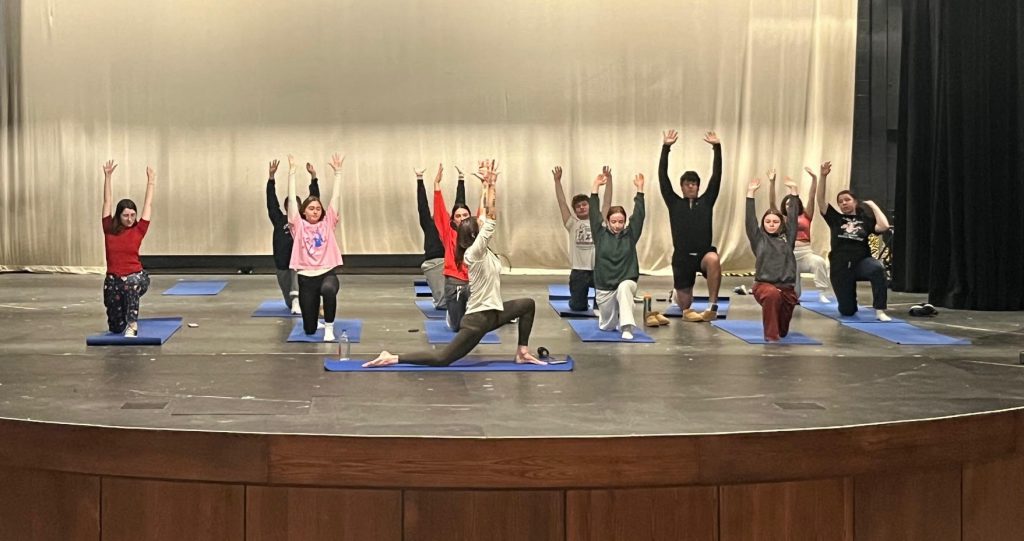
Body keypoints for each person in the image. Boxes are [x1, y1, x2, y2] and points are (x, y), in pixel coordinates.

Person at [365, 160, 544, 367]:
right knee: (443, 359)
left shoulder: (479, 248)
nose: (480, 222)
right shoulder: (474, 253)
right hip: (477, 322)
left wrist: (486, 185)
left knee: (527, 304)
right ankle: (392, 357)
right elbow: (491, 218)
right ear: (475, 235)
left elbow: (485, 216)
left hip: (493, 314)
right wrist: (493, 187)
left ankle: (522, 352)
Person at [658, 129, 723, 322]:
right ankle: (677, 295)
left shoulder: (707, 201)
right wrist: (666, 148)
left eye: (694, 183)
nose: (690, 186)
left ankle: (712, 305)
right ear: (682, 186)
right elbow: (662, 177)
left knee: (713, 259)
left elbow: (717, 176)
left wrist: (717, 148)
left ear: (698, 186)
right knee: (685, 306)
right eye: (687, 184)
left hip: (703, 253)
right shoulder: (673, 202)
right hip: (682, 257)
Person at [816, 169, 892, 320]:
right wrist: (823, 176)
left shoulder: (865, 221)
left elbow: (884, 226)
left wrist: (873, 206)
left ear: (855, 202)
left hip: (861, 262)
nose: (843, 203)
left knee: (877, 268)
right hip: (841, 266)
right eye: (840, 201)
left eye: (847, 200)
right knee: (847, 311)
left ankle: (880, 310)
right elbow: (820, 200)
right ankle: (849, 301)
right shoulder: (835, 218)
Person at [287, 153, 345, 341]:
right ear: (304, 211)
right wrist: (292, 173)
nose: (315, 211)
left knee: (329, 290)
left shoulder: (327, 223)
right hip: (306, 278)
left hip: (327, 273)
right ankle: (314, 323)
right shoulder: (299, 225)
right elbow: (291, 206)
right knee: (309, 330)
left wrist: (338, 173)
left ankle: (329, 328)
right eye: (311, 208)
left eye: (318, 208)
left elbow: (335, 199)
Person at [101, 160, 155, 337]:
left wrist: (151, 182)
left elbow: (148, 205)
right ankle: (123, 320)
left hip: (136, 277)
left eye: (133, 215)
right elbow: (107, 201)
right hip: (114, 280)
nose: (130, 219)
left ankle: (132, 324)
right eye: (126, 215)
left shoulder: (139, 229)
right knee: (116, 328)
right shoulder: (109, 228)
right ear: (119, 215)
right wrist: (108, 177)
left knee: (130, 284)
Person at [590, 171, 646, 340]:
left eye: (621, 221)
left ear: (625, 222)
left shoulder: (630, 235)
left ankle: (627, 327)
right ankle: (610, 318)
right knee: (607, 327)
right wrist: (595, 188)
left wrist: (640, 190)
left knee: (624, 288)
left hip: (626, 280)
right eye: (613, 221)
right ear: (607, 221)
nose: (617, 225)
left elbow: (639, 216)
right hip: (605, 286)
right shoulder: (599, 234)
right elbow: (593, 214)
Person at [768, 163, 834, 303]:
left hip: (805, 253)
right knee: (795, 296)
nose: (790, 206)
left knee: (819, 262)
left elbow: (811, 198)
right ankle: (792, 292)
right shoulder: (782, 218)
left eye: (793, 203)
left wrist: (815, 179)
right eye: (787, 204)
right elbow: (772, 203)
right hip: (789, 256)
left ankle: (822, 292)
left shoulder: (806, 215)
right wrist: (772, 182)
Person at [746, 176, 800, 341]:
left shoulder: (787, 238)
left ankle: (778, 332)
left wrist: (793, 192)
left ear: (780, 224)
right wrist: (750, 193)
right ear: (763, 223)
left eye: (775, 221)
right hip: (764, 286)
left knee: (783, 331)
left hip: (786, 289)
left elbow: (793, 218)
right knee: (771, 295)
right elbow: (749, 221)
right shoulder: (759, 239)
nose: (771, 224)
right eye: (767, 221)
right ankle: (771, 337)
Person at [551, 165, 612, 312]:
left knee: (603, 308)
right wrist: (557, 181)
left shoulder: (600, 220)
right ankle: (577, 300)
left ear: (590, 206)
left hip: (598, 270)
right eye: (578, 206)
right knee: (578, 308)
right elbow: (562, 203)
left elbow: (607, 202)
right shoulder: (572, 223)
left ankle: (601, 302)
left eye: (585, 204)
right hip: (579, 271)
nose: (582, 207)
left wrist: (609, 180)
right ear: (575, 210)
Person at [267, 158, 319, 314]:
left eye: (296, 205)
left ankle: (301, 299)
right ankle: (294, 301)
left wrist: (313, 177)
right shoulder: (279, 219)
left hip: (300, 262)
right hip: (282, 263)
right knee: (290, 304)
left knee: (302, 298)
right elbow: (271, 203)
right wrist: (271, 179)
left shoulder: (304, 220)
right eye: (289, 205)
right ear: (285, 207)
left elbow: (314, 198)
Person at [434, 164, 476, 330]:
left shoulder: (475, 229)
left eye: (465, 215)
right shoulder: (448, 231)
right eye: (458, 216)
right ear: (453, 219)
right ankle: (452, 315)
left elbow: (486, 211)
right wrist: (436, 185)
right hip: (454, 280)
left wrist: (488, 185)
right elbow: (439, 210)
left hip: (474, 279)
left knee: (473, 326)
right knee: (457, 327)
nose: (462, 218)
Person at [416, 163, 463, 310]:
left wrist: (461, 180)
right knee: (442, 303)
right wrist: (419, 179)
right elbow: (422, 206)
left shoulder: (451, 226)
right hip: (433, 263)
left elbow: (460, 205)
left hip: (450, 262)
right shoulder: (428, 223)